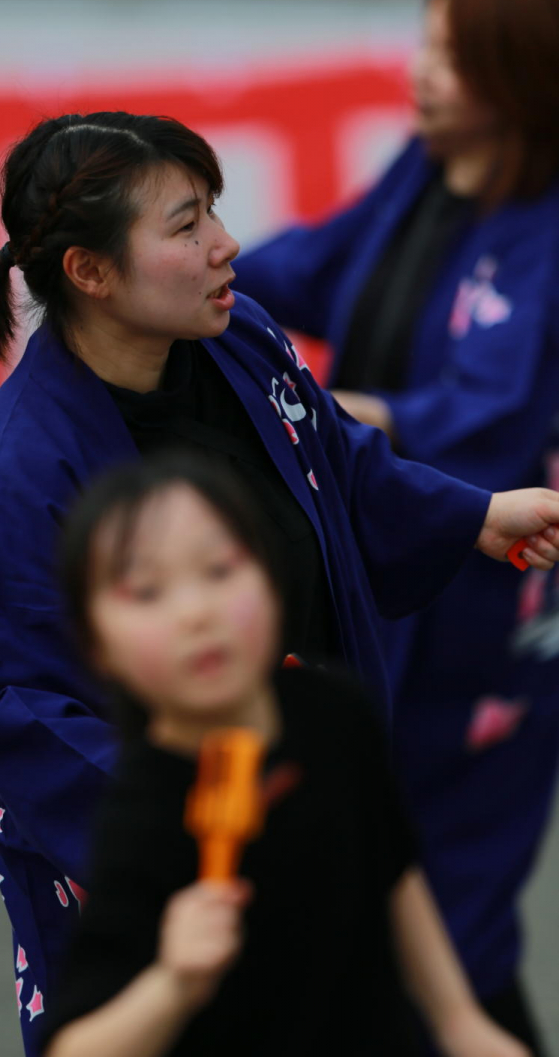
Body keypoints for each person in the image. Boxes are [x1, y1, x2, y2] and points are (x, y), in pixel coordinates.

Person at [0, 109, 559, 1054]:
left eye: (214, 214)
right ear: (91, 272)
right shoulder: (18, 475)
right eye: (187, 226)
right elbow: (25, 715)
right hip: (169, 870)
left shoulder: (237, 338)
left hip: (298, 797)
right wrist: (191, 839)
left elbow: (336, 458)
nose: (228, 246)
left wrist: (473, 517)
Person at [233, 0, 559, 1051]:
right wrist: (183, 270)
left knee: (442, 904)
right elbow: (307, 268)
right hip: (383, 574)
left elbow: (487, 419)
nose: (424, 71)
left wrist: (318, 416)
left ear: (525, 69)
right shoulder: (421, 171)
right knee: (383, 890)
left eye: (455, 53)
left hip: (491, 611)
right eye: (423, 41)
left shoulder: (545, 228)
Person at [42, 453, 530, 1057]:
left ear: (273, 582)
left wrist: (459, 1022)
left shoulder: (333, 710)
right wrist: (173, 982)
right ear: (97, 649)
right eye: (146, 591)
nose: (197, 613)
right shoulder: (140, 813)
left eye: (220, 570)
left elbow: (392, 871)